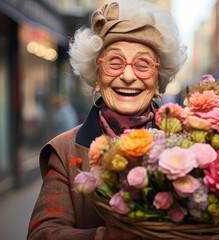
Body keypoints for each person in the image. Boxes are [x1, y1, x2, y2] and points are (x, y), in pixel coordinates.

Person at [26, 0, 187, 239]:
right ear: (97, 76)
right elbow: (42, 233)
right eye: (114, 62)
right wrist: (103, 236)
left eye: (143, 64)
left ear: (158, 81)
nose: (128, 76)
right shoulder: (64, 151)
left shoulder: (188, 142)